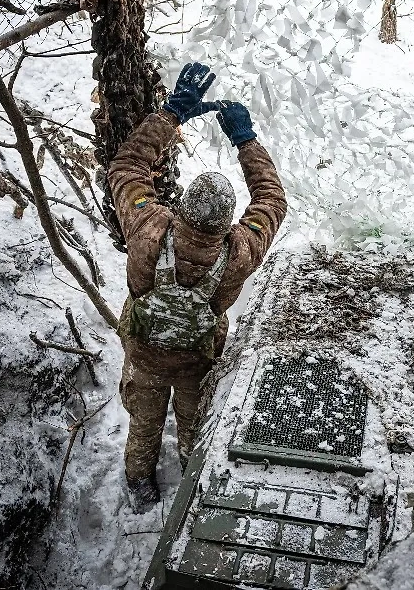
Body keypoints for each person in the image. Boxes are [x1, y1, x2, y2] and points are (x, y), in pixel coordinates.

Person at [107, 62, 287, 512]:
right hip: (197, 360)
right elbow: (270, 199)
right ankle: (191, 477)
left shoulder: (148, 224)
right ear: (228, 221)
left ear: (181, 205)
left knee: (143, 425)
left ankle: (140, 484)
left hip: (144, 351)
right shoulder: (241, 249)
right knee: (194, 423)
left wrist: (171, 113)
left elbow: (128, 166)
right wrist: (246, 141)